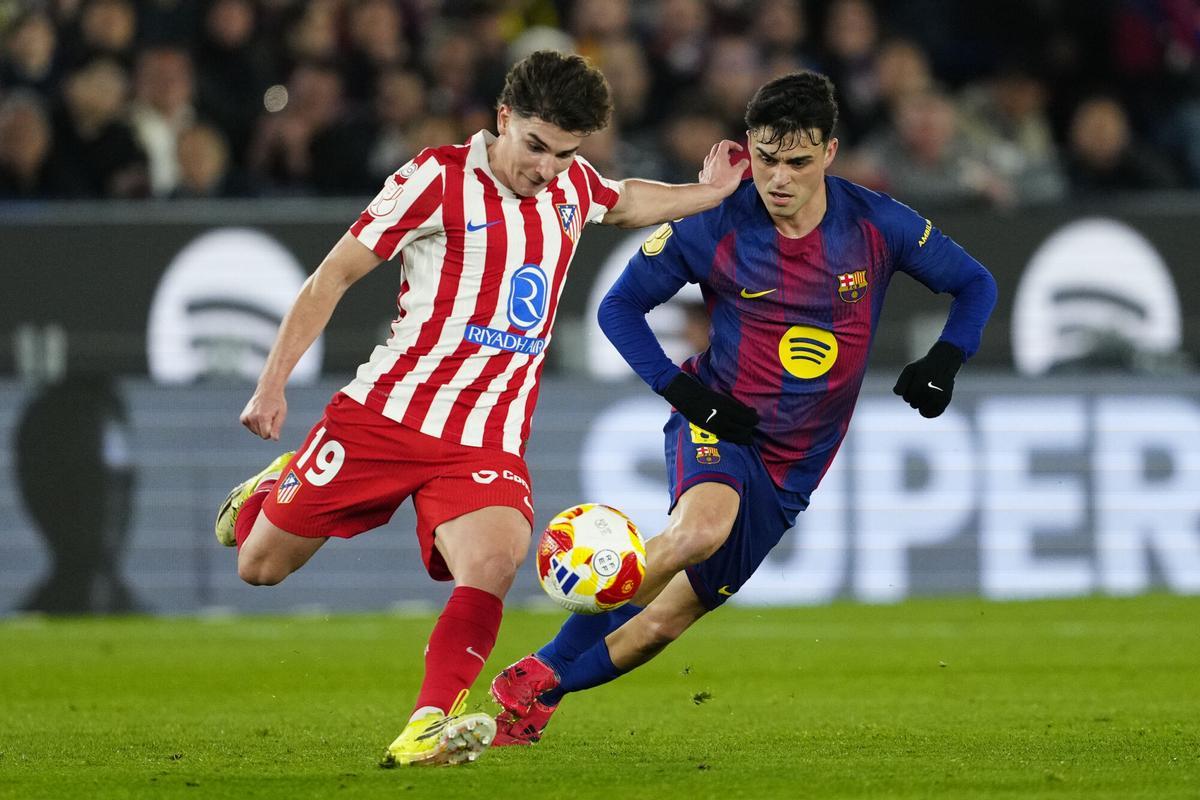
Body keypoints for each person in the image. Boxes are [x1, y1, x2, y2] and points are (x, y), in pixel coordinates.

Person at [213, 49, 746, 768]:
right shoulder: (434, 179)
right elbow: (332, 275)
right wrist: (271, 384)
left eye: (565, 153)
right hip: (386, 416)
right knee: (260, 567)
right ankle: (273, 489)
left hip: (485, 439)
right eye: (535, 147)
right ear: (504, 119)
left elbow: (623, 200)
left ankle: (429, 722)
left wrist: (707, 193)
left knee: (495, 558)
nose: (547, 169)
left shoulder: (571, 188)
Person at [489, 70, 997, 746]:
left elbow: (975, 283)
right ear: (747, 150)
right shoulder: (715, 225)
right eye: (765, 159)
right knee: (700, 531)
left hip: (796, 467)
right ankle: (543, 665)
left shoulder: (876, 224)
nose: (777, 178)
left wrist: (945, 359)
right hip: (719, 421)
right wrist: (684, 391)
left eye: (796, 161)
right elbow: (618, 307)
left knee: (663, 625)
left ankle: (541, 690)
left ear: (830, 153)